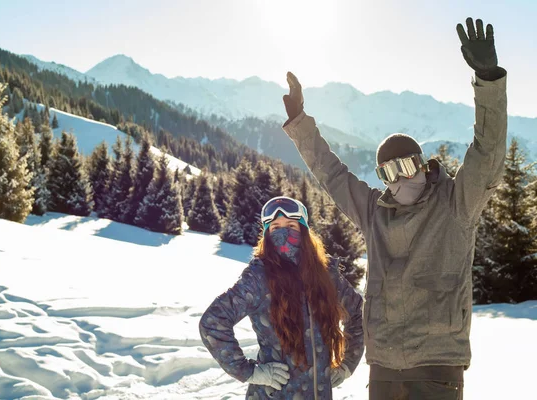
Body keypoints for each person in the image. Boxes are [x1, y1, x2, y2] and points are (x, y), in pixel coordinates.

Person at [281, 18, 506, 400]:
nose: (399, 180)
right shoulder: (374, 212)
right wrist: (300, 124)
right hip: (383, 366)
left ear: (422, 165)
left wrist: (488, 81)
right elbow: (332, 174)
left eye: (406, 167)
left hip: (436, 368)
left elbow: (487, 152)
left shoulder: (456, 203)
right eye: (388, 173)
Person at [199, 196, 364, 399]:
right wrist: (249, 371)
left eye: (291, 225)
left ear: (304, 231)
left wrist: (347, 364)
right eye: (275, 228)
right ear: (267, 235)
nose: (283, 233)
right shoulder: (259, 277)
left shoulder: (325, 275)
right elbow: (213, 322)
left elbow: (358, 314)